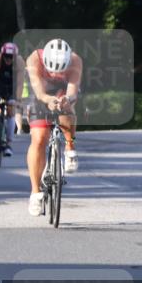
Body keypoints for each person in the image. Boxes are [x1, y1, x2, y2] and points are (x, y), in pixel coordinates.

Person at [25, 39, 83, 216]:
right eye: (51, 70)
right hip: (42, 93)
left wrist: (67, 100)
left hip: (63, 91)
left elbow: (72, 92)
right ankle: (35, 193)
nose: (55, 74)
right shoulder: (34, 59)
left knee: (68, 108)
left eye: (60, 70)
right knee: (39, 138)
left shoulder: (75, 61)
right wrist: (48, 100)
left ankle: (70, 147)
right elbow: (39, 93)